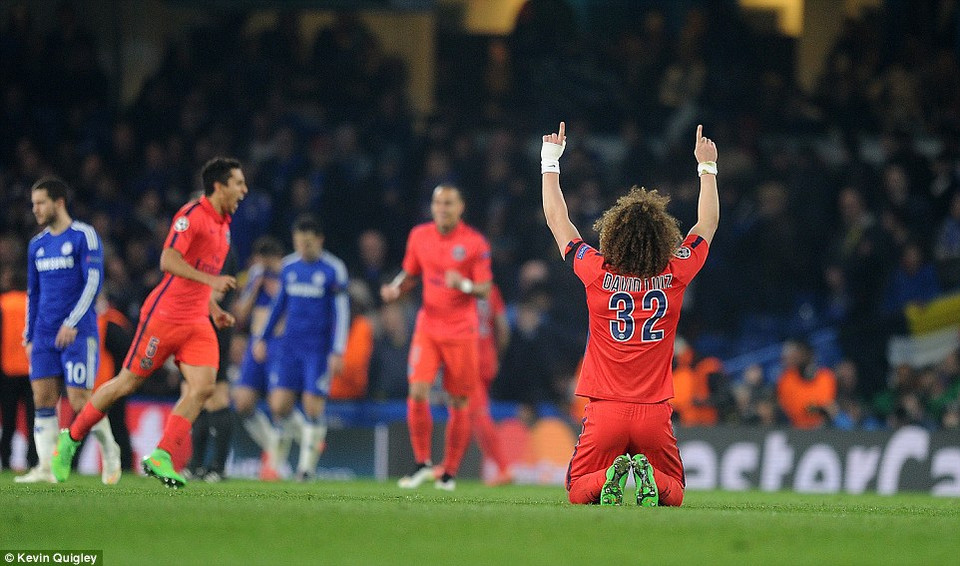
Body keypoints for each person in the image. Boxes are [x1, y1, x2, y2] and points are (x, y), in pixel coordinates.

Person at [540, 122, 718, 507]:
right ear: (663, 235)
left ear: (613, 234)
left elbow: (559, 221)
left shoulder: (595, 271)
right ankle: (649, 476)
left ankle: (609, 477)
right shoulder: (675, 272)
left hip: (605, 410)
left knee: (577, 491)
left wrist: (550, 161)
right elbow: (707, 224)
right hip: (655, 412)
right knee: (675, 494)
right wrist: (707, 168)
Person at [50, 157, 246, 488]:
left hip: (198, 321)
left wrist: (213, 307)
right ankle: (71, 438)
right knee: (126, 383)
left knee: (204, 388)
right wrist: (210, 283)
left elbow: (201, 279)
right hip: (164, 317)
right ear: (219, 185)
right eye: (238, 183)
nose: (244, 190)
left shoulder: (224, 226)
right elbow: (168, 261)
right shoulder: (191, 216)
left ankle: (162, 455)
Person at [381, 184, 493, 491]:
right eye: (437, 203)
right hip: (428, 327)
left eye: (448, 203)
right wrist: (395, 288)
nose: (442, 208)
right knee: (417, 391)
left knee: (459, 401)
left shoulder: (474, 243)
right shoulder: (419, 236)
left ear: (461, 207)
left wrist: (465, 285)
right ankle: (422, 464)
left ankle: (449, 473)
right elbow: (409, 274)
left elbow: (485, 288)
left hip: (461, 331)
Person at [16, 178, 121, 485]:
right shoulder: (36, 244)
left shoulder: (83, 236)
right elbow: (32, 294)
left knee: (79, 399)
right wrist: (29, 336)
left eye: (40, 202)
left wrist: (72, 322)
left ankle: (110, 451)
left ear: (58, 202)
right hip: (45, 334)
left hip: (78, 332)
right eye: (33, 203)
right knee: (43, 398)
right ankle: (46, 468)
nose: (35, 209)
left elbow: (93, 283)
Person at [251, 214, 349, 481]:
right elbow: (278, 306)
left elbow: (341, 312)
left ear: (319, 240)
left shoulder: (333, 269)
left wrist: (338, 350)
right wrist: (263, 337)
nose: (303, 248)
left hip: (317, 350)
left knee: (312, 407)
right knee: (279, 405)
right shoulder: (289, 267)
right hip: (289, 347)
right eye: (298, 243)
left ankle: (306, 469)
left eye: (308, 243)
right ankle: (307, 440)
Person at [231, 235, 285, 479]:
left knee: (279, 405)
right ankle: (272, 442)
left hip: (280, 344)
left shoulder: (288, 276)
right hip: (256, 343)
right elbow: (241, 314)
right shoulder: (254, 277)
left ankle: (288, 454)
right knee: (242, 402)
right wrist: (255, 287)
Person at [185, 246, 239, 482]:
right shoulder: (188, 247)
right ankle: (196, 464)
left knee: (215, 394)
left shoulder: (223, 250)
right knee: (190, 394)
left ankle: (218, 466)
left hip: (212, 327)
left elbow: (216, 294)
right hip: (187, 323)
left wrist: (186, 292)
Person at [471, 281, 512, 485]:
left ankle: (503, 467)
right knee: (469, 413)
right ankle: (447, 466)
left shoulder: (460, 288)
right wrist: (495, 354)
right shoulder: (491, 289)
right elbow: (503, 328)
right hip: (487, 359)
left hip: (469, 358)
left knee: (478, 414)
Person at [0, 269, 38, 471]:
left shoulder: (3, 303)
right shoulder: (33, 303)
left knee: (8, 420)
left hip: (7, 371)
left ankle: (5, 460)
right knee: (33, 420)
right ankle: (33, 460)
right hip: (33, 371)